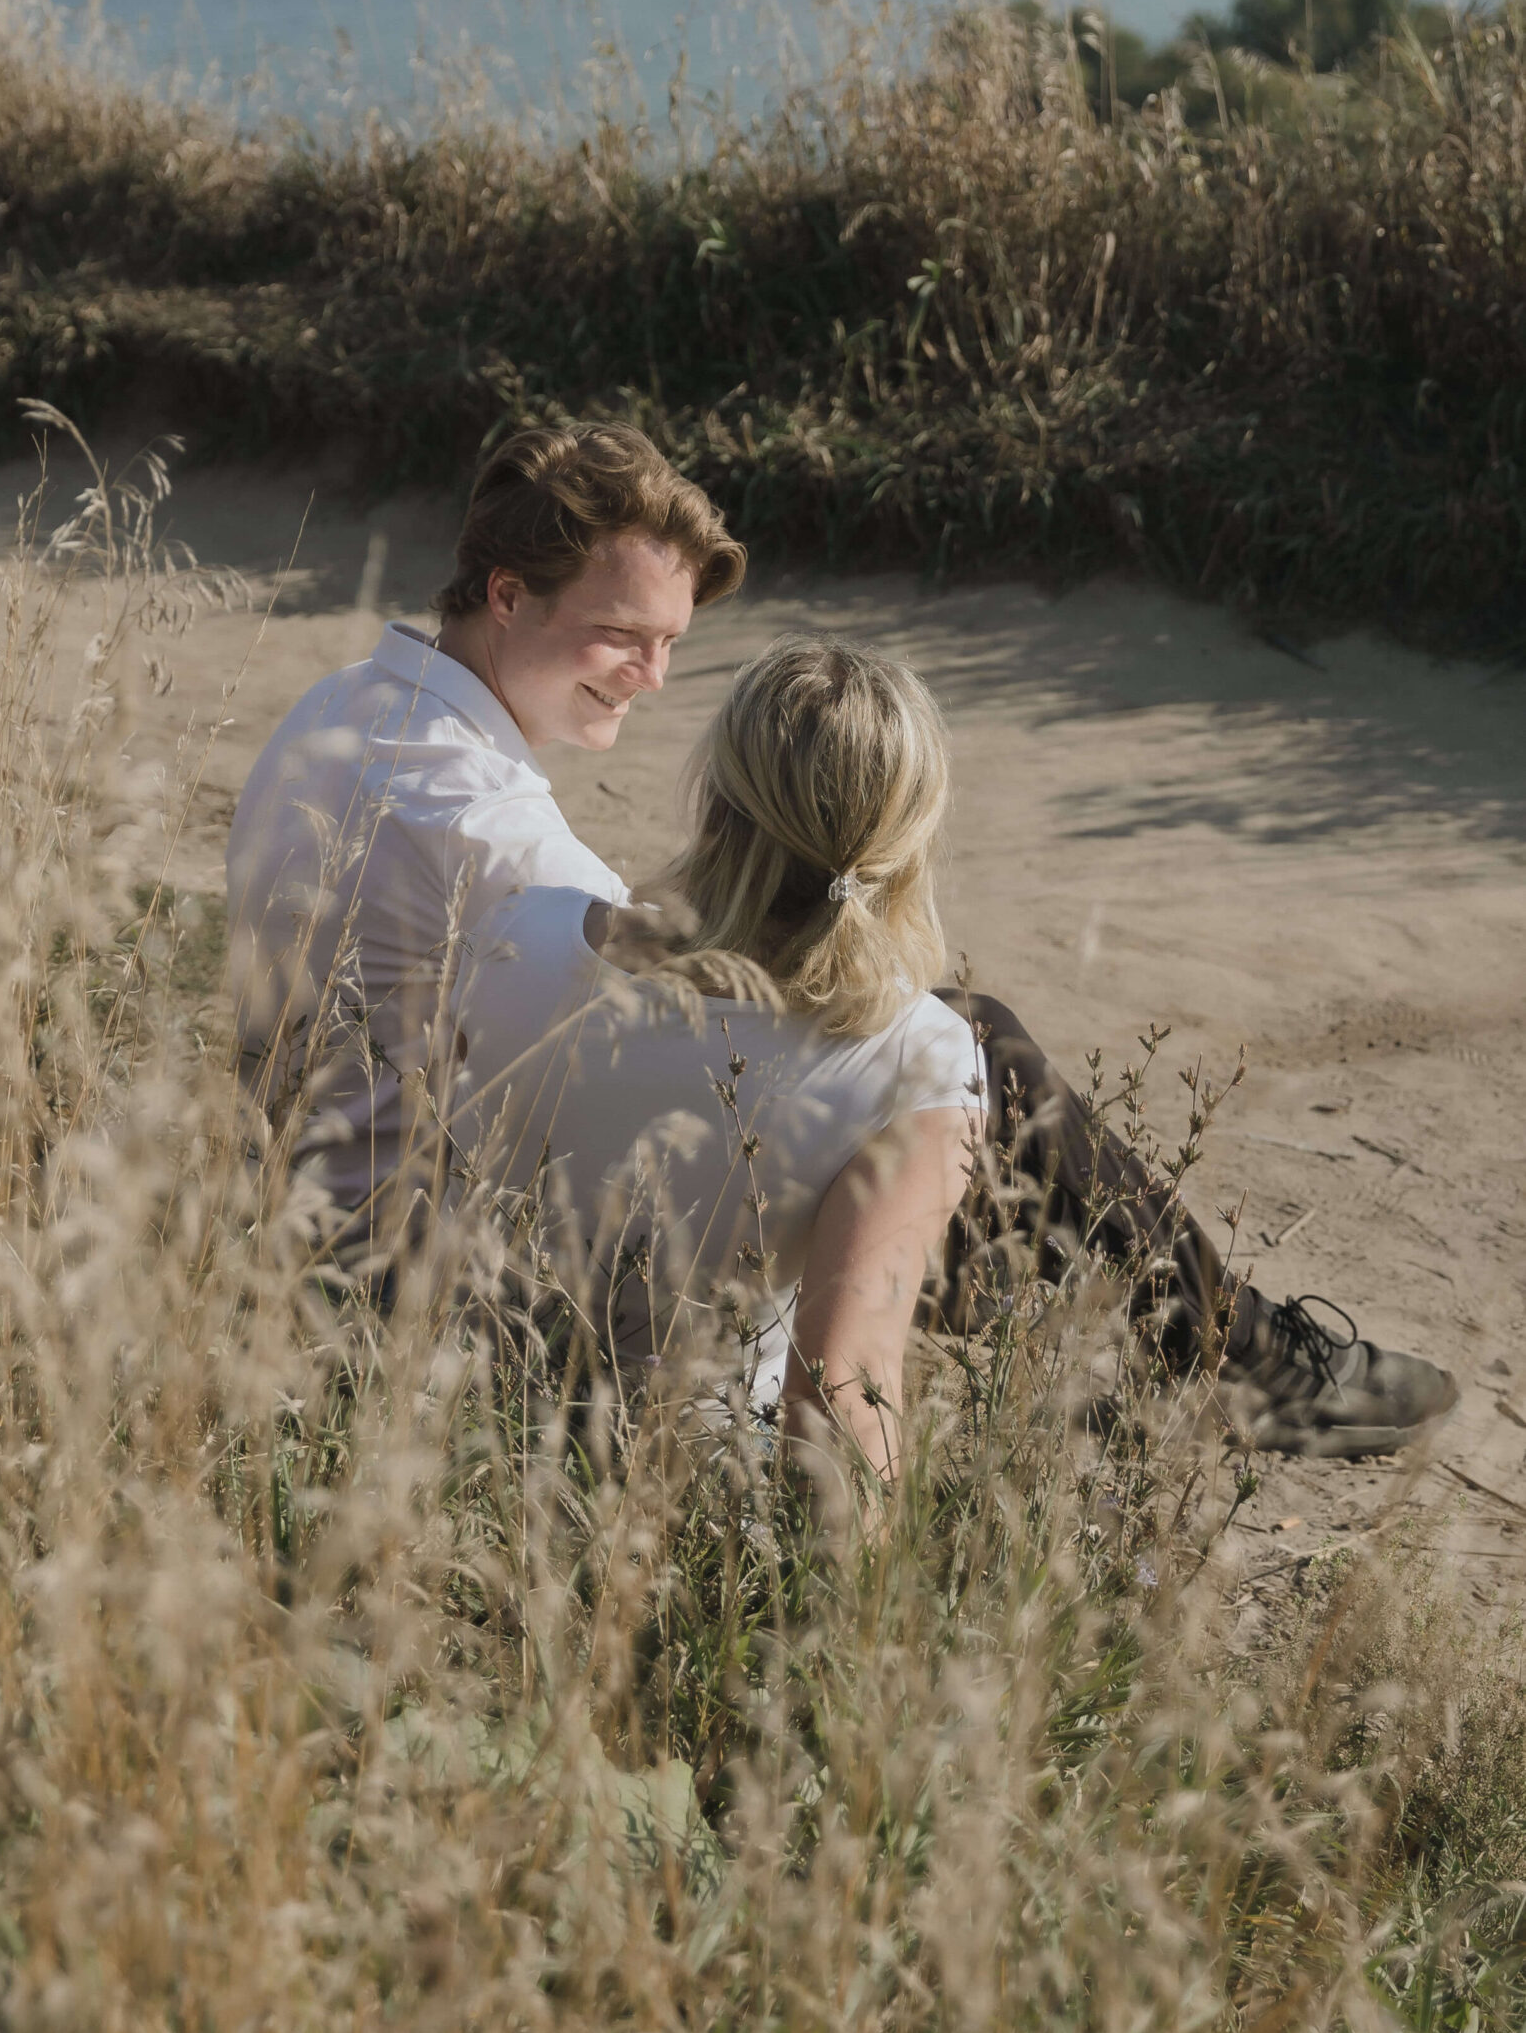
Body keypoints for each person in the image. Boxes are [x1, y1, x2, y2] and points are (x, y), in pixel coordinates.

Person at [227, 420, 1459, 1458]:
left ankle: (1178, 1337)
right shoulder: (493, 834)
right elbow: (661, 987)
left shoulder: (342, 708)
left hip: (328, 1219)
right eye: (624, 638)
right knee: (960, 1047)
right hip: (433, 1287)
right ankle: (1239, 1357)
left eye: (672, 647)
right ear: (509, 594)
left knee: (936, 1060)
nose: (651, 678)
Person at [449, 640, 983, 1483]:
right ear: (909, 829)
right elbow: (842, 1391)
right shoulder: (918, 1057)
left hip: (455, 1436)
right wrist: (861, 1611)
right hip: (678, 1497)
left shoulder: (524, 933)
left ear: (717, 791)